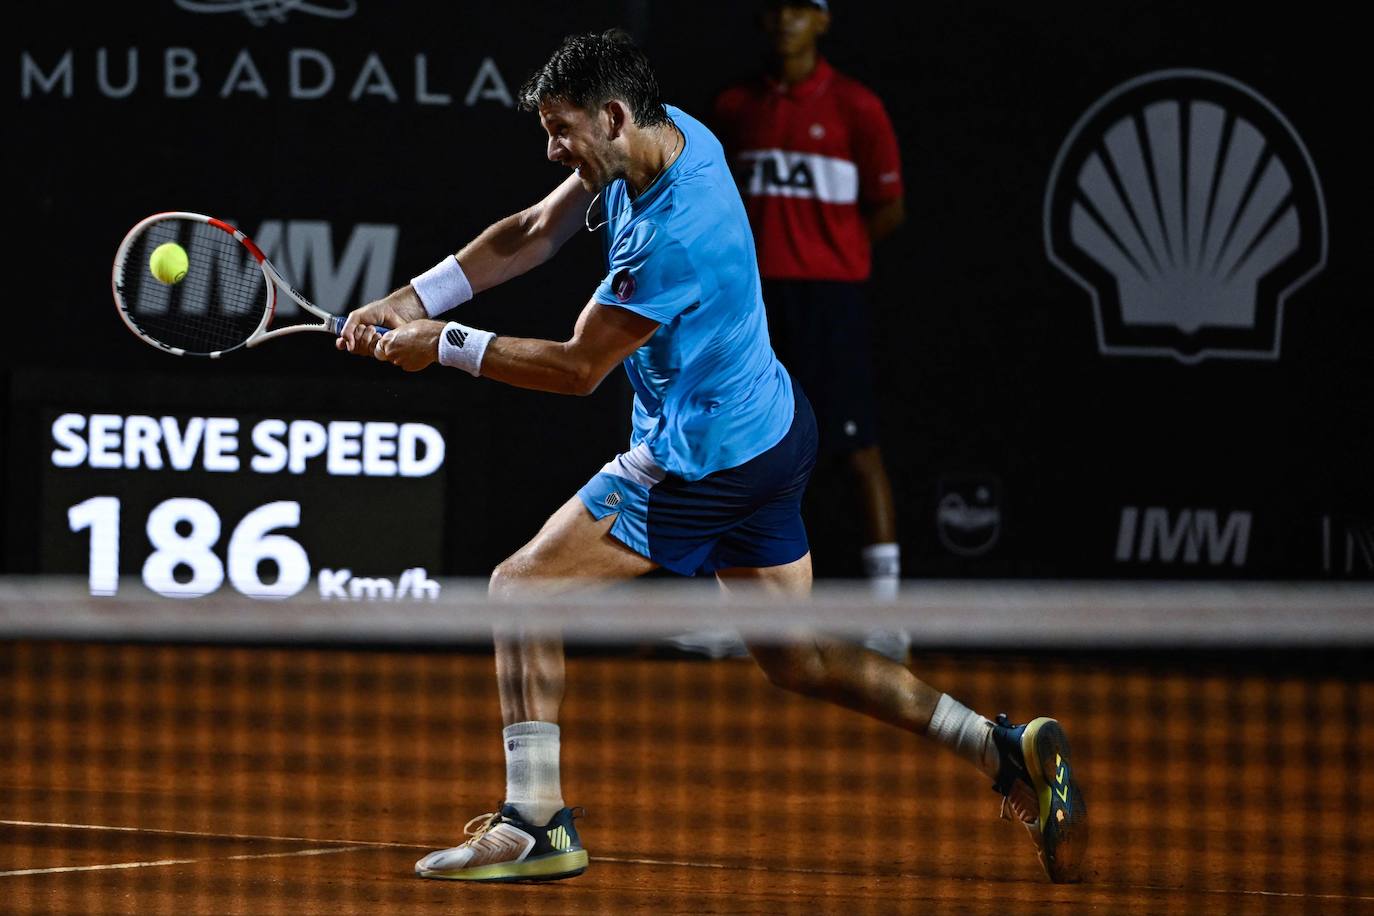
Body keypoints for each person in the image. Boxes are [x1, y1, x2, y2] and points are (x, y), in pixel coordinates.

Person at [337, 30, 1084, 885]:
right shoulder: (660, 135)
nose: (552, 149)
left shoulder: (677, 234)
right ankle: (998, 747)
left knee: (520, 589)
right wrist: (412, 298)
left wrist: (445, 345)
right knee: (795, 658)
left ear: (614, 116)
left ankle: (535, 819)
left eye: (562, 129)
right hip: (769, 434)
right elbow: (532, 231)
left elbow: (580, 369)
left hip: (700, 462)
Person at [716, 0, 906, 604]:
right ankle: (731, 613)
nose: (785, 20)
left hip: (831, 302)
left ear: (822, 21)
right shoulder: (733, 108)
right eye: (774, 9)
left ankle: (886, 614)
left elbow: (888, 210)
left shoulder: (858, 107)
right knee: (732, 446)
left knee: (856, 452)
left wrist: (831, 255)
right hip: (754, 305)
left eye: (801, 9)